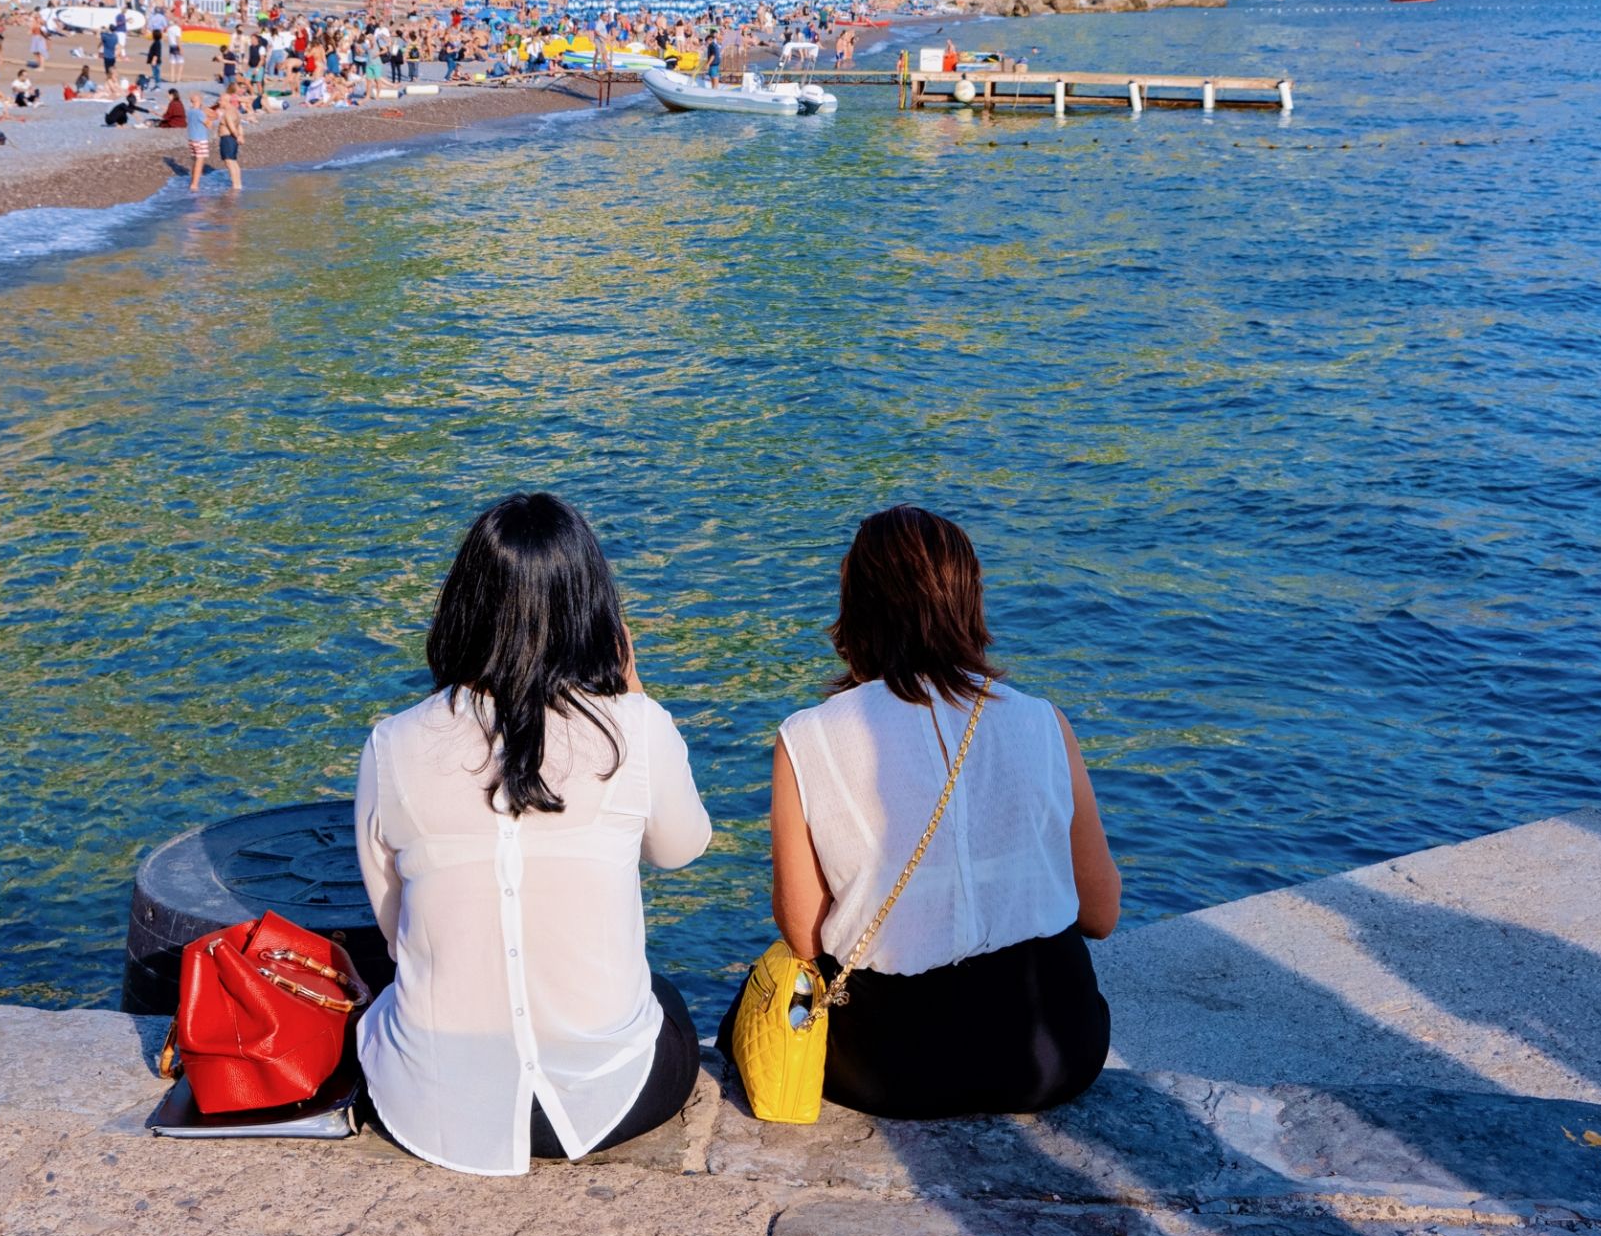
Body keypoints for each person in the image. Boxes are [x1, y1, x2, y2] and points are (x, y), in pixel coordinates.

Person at [355, 494, 711, 1177]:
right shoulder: (633, 730)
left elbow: (396, 929)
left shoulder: (392, 744)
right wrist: (633, 695)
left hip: (433, 1101)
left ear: (462, 607)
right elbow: (681, 847)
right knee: (664, 1001)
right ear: (594, 612)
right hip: (609, 1099)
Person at [732, 505, 1119, 1121]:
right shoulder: (1044, 722)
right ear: (969, 601)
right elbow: (1101, 914)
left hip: (896, 1066)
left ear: (855, 609)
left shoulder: (808, 738)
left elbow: (804, 932)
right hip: (1057, 1049)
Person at [208, 89, 246, 192]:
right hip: (232, 138)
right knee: (233, 161)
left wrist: (237, 136)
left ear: (225, 101)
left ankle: (235, 185)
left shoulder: (228, 112)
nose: (218, 102)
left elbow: (232, 126)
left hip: (227, 138)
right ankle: (238, 183)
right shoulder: (235, 110)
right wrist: (241, 135)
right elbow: (239, 125)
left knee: (229, 161)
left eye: (220, 100)